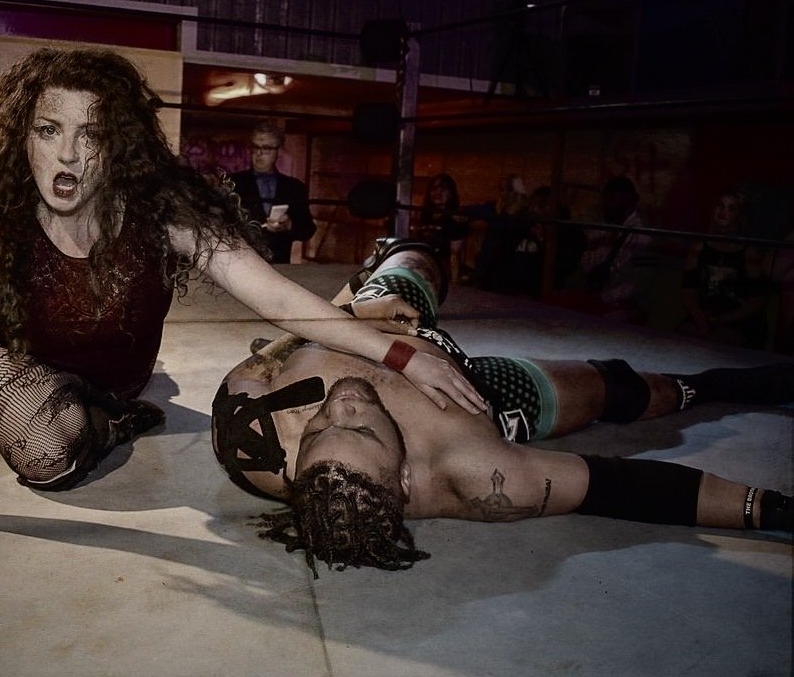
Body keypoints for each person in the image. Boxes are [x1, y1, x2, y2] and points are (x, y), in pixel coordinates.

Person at [0, 48, 486, 545]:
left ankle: (118, 414)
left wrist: (400, 357)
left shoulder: (159, 209)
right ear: (18, 136)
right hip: (33, 371)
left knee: (88, 419)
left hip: (123, 376)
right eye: (49, 130)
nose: (69, 156)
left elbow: (274, 295)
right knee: (46, 458)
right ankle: (99, 420)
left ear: (119, 145)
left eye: (92, 134)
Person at [212, 241, 793, 576]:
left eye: (318, 430)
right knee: (622, 391)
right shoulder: (477, 477)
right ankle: (713, 385)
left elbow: (277, 340)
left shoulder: (251, 439)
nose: (340, 406)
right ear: (407, 476)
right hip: (476, 392)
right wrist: (770, 510)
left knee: (415, 263)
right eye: (361, 429)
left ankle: (385, 257)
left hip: (369, 328)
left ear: (297, 465)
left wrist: (350, 316)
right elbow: (622, 485)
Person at [553, 176, 655, 321]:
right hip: (601, 296)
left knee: (579, 319)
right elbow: (589, 266)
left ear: (627, 199)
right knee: (553, 305)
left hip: (628, 304)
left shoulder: (643, 234)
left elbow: (638, 285)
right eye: (605, 199)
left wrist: (602, 297)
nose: (604, 205)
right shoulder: (608, 228)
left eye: (610, 199)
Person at [679, 191, 769, 348]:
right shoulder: (699, 248)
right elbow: (688, 292)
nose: (723, 212)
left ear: (739, 215)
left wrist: (727, 319)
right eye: (720, 205)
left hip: (738, 321)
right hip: (704, 316)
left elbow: (757, 299)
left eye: (731, 208)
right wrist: (700, 318)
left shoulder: (749, 252)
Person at [228, 122, 316, 264]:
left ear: (279, 152)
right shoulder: (232, 183)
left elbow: (308, 229)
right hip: (241, 264)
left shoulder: (293, 187)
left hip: (278, 265)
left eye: (266, 148)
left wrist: (288, 225)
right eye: (255, 147)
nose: (259, 153)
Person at [414, 173, 470, 282]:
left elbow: (455, 253)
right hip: (421, 266)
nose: (437, 192)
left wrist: (454, 281)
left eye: (443, 189)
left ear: (450, 194)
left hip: (442, 270)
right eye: (434, 189)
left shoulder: (455, 218)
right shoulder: (425, 215)